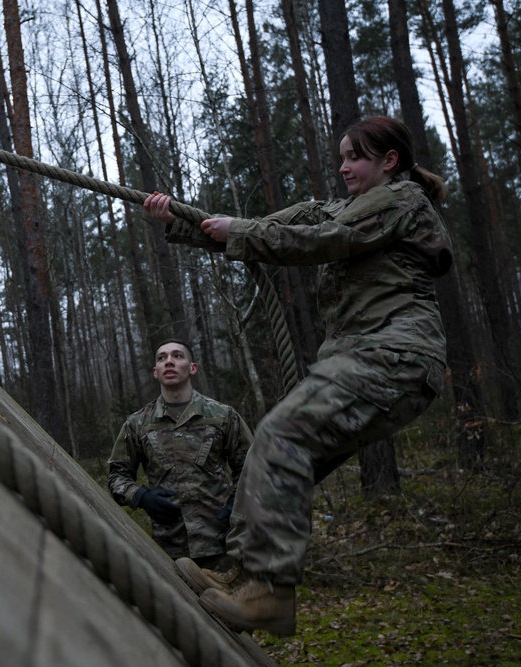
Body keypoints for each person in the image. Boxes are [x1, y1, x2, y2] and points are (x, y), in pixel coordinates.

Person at [143, 116, 452, 637]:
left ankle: (268, 593)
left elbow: (321, 240)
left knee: (281, 436)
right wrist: (180, 218)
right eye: (341, 156)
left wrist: (240, 232)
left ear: (389, 161)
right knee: (279, 458)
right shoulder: (337, 206)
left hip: (395, 355)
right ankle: (242, 573)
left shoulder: (401, 202)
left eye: (354, 156)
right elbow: (264, 230)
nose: (342, 165)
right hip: (362, 358)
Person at [108, 338, 253, 570]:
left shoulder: (223, 416)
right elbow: (117, 476)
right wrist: (142, 497)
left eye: (177, 356)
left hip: (223, 544)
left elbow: (251, 468)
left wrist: (237, 504)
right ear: (155, 372)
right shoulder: (138, 424)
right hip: (169, 552)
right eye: (162, 358)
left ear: (192, 367)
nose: (169, 362)